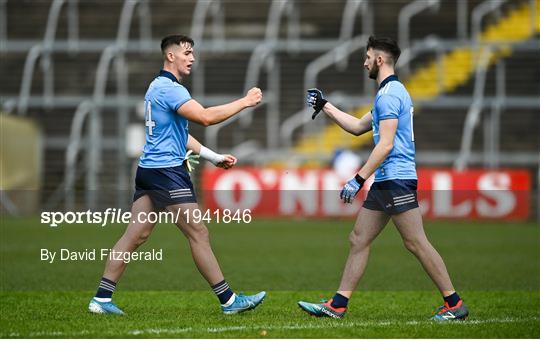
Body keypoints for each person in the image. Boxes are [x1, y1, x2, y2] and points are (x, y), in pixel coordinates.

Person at [88, 34, 266, 315]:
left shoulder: (156, 87)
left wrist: (213, 157)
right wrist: (244, 101)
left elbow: (179, 135)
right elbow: (206, 117)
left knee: (135, 236)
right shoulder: (171, 90)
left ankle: (101, 299)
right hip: (166, 172)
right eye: (187, 52)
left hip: (149, 171)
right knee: (198, 232)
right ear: (171, 56)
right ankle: (229, 301)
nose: (192, 58)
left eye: (193, 53)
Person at [298, 36, 468, 322]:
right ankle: (338, 305)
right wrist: (325, 105)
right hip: (387, 180)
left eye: (367, 57)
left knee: (415, 242)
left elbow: (386, 144)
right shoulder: (389, 92)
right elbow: (356, 127)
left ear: (379, 60)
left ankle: (454, 303)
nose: (364, 62)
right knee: (358, 239)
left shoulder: (389, 95)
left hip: (396, 179)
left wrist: (358, 179)